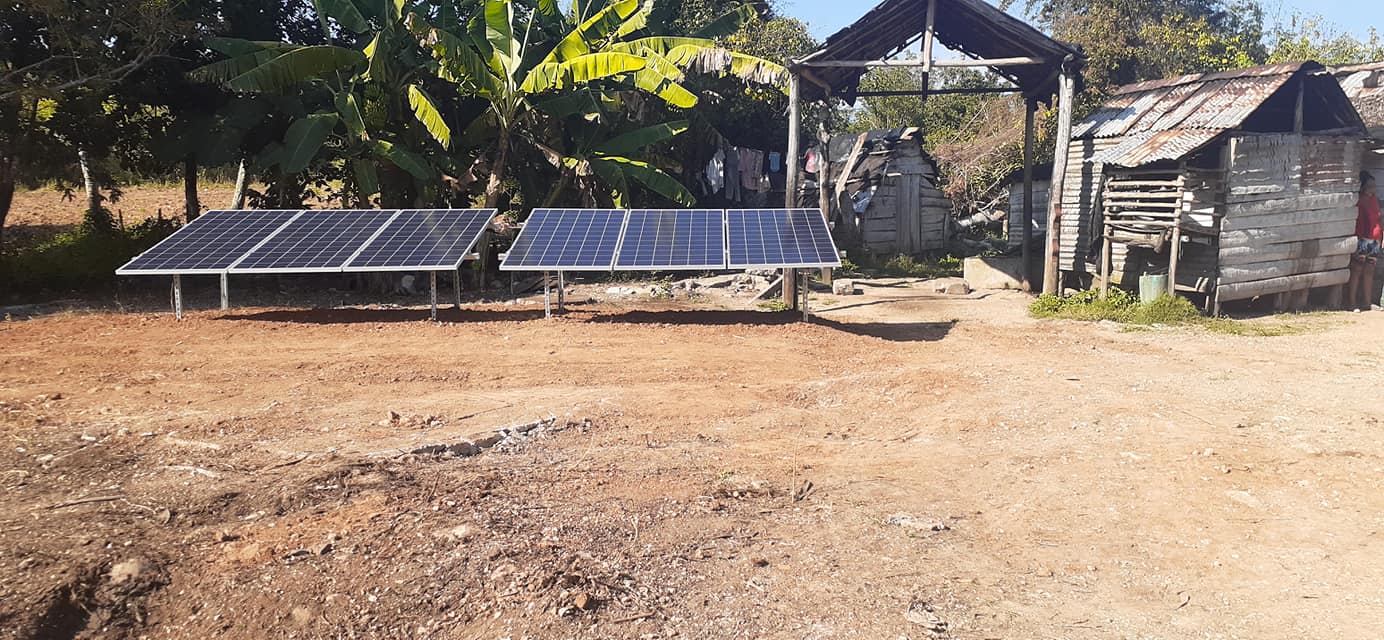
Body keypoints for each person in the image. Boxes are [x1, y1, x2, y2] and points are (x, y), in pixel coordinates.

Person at [1349, 172, 1382, 311]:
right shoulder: (1360, 201)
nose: (1373, 188)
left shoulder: (1374, 200)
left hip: (1374, 240)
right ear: (1363, 187)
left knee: (1369, 270)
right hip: (1362, 239)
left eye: (1374, 186)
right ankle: (1352, 302)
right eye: (1370, 185)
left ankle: (1367, 302)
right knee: (1357, 270)